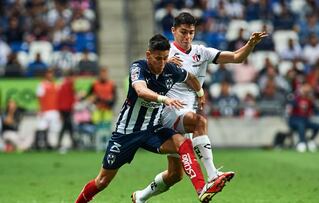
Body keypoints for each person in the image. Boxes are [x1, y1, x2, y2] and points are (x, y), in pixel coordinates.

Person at [74, 34, 228, 203]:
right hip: (127, 133)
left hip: (152, 129)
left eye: (165, 58)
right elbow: (141, 91)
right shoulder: (138, 67)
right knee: (102, 181)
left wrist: (200, 93)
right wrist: (164, 99)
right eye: (157, 58)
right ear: (148, 55)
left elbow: (190, 77)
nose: (161, 63)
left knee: (183, 143)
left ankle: (201, 189)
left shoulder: (170, 69)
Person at [132, 12, 267, 203]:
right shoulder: (164, 53)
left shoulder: (201, 52)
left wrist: (250, 44)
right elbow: (144, 73)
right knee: (199, 122)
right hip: (169, 111)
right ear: (173, 31)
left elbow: (237, 57)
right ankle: (212, 175)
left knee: (174, 175)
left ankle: (140, 196)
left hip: (186, 113)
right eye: (183, 32)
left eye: (191, 32)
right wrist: (165, 64)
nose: (187, 37)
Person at [287, 83, 319, 153]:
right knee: (301, 125)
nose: (307, 92)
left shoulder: (310, 100)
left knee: (318, 126)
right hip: (294, 119)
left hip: (305, 120)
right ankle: (302, 142)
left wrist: (312, 101)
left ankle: (310, 140)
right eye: (305, 90)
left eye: (308, 91)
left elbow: (315, 110)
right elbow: (289, 108)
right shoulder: (296, 98)